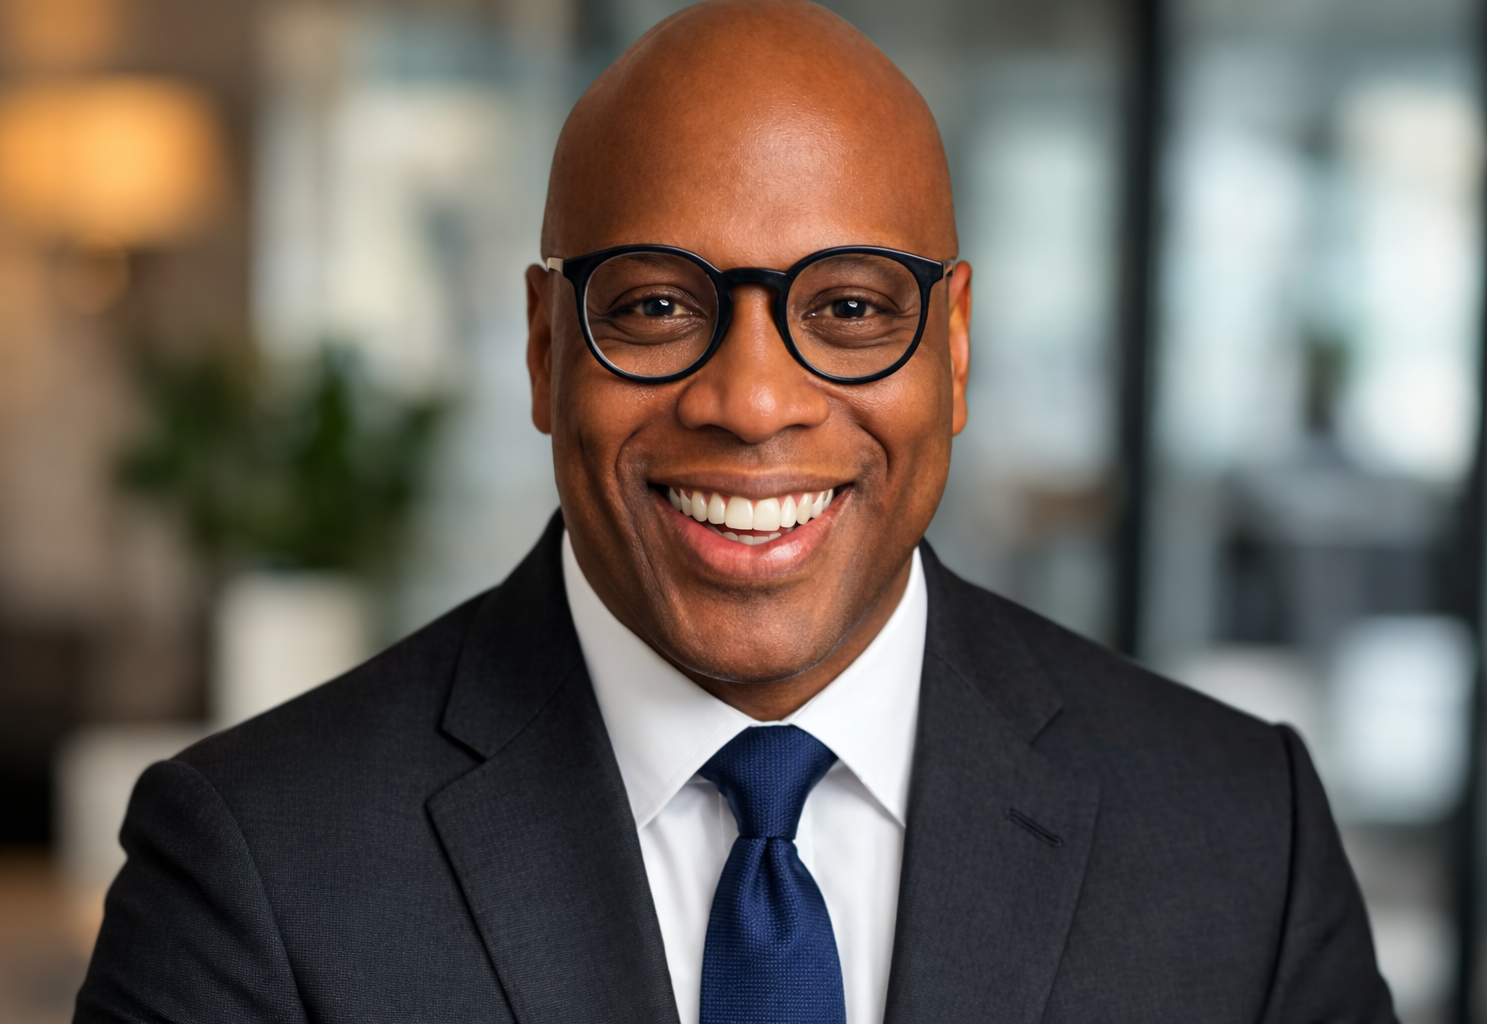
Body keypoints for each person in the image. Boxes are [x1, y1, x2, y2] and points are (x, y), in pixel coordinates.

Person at [74, 2, 1396, 1022]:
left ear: (956, 348)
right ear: (545, 350)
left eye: (852, 310)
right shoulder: (254, 867)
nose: (754, 401)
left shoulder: (1240, 840)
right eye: (654, 306)